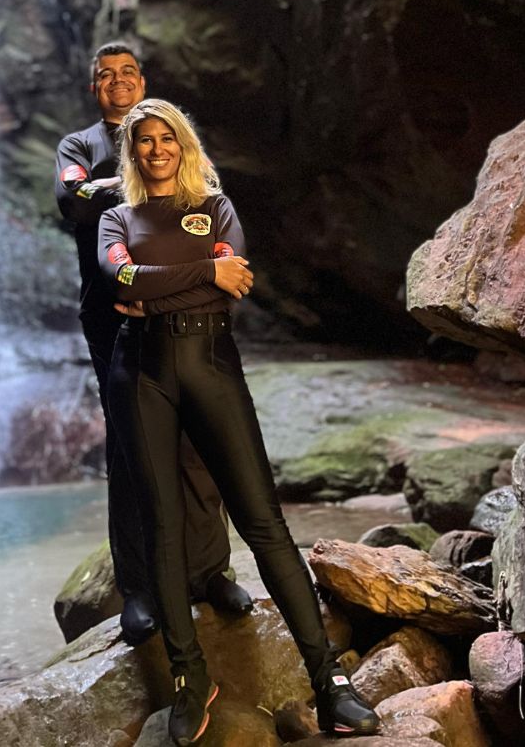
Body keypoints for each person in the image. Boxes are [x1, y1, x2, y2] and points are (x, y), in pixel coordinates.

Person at [100, 99, 380, 745]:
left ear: (184, 144)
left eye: (165, 138)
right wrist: (202, 272)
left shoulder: (216, 208)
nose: (155, 149)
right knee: (164, 528)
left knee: (263, 522)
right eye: (143, 141)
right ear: (133, 152)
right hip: (142, 374)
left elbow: (235, 280)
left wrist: (156, 289)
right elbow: (118, 273)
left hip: (211, 365)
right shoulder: (117, 217)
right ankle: (187, 679)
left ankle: (329, 684)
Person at [55, 44, 252, 646]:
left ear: (145, 81)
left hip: (187, 314)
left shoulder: (171, 140)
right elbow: (72, 197)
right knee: (130, 449)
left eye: (128, 72)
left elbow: (210, 211)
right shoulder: (79, 148)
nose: (118, 82)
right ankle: (138, 585)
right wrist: (129, 183)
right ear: (95, 89)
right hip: (114, 316)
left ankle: (211, 572)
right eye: (105, 75)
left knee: (198, 441)